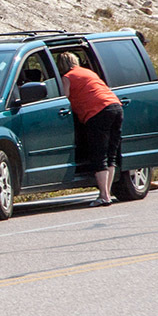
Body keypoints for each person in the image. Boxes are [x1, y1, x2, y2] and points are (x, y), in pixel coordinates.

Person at [57, 52, 123, 207]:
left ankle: (105, 196)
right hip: (116, 107)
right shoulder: (88, 72)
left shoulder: (67, 77)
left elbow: (63, 99)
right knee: (111, 154)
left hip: (97, 112)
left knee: (99, 153)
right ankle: (105, 193)